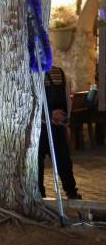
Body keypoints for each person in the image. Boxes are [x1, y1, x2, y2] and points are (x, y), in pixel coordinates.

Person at [39, 65, 82, 199]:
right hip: (39, 128)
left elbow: (67, 99)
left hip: (57, 127)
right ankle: (39, 195)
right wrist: (50, 114)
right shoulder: (31, 73)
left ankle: (71, 192)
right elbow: (31, 100)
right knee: (36, 165)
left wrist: (65, 122)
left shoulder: (60, 72)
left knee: (63, 161)